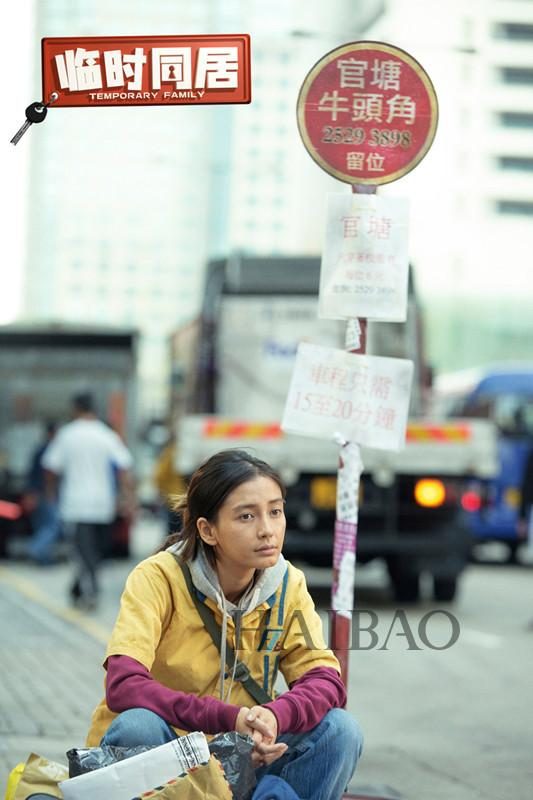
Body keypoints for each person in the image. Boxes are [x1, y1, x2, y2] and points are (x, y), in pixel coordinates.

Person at [86, 449, 363, 800]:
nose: (267, 530)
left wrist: (274, 718)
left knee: (341, 729)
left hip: (245, 755)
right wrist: (229, 718)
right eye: (246, 516)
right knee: (136, 726)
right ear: (208, 530)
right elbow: (124, 685)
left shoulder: (288, 583)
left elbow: (325, 679)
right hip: (170, 752)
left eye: (275, 512)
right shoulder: (158, 578)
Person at [42, 392, 133, 609]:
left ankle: (88, 588)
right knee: (95, 549)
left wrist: (51, 493)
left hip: (75, 504)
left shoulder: (67, 434)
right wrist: (127, 497)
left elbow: (50, 467)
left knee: (83, 549)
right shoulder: (106, 435)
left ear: (75, 409)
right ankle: (81, 586)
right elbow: (124, 467)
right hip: (103, 504)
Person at [24, 421, 62, 565]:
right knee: (53, 525)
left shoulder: (39, 450)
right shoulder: (51, 451)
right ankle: (36, 548)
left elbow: (31, 474)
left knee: (42, 525)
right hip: (46, 494)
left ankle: (44, 557)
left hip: (37, 494)